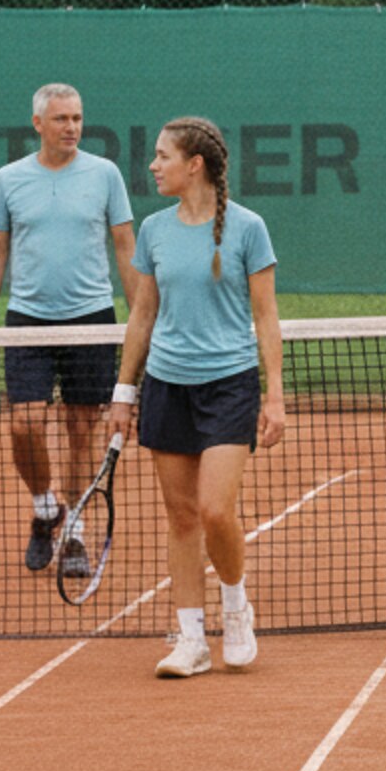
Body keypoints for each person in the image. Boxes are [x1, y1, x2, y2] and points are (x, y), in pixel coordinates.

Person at [108, 119, 283, 679]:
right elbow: (142, 314)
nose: (154, 166)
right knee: (181, 517)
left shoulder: (249, 229)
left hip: (230, 384)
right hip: (166, 384)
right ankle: (190, 639)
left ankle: (235, 609)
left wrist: (273, 394)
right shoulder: (155, 230)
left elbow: (266, 316)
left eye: (163, 157)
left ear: (195, 165)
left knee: (214, 510)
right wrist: (124, 391)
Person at [0, 84, 136, 577]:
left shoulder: (105, 174)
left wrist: (141, 319)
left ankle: (75, 534)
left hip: (92, 319)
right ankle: (46, 507)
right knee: (23, 424)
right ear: (38, 124)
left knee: (82, 430)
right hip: (28, 321)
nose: (71, 127)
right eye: (61, 119)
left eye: (78, 118)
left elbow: (126, 247)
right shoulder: (9, 179)